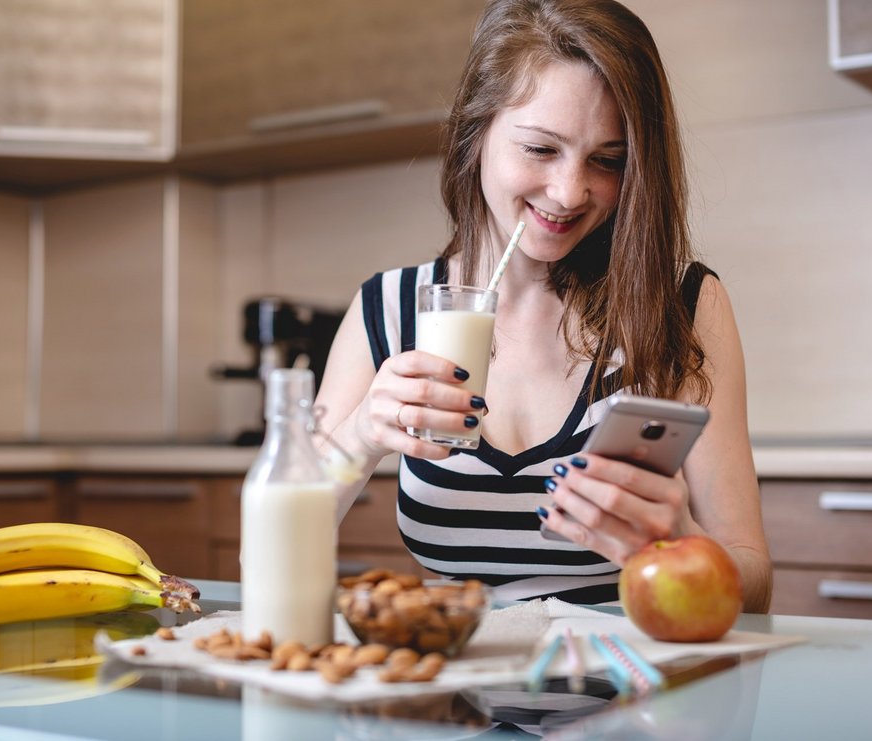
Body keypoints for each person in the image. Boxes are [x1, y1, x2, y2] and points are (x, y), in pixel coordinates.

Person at [315, 0, 771, 611]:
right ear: (476, 133)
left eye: (607, 160)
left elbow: (755, 585)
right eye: (539, 149)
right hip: (457, 693)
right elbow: (265, 547)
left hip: (626, 693)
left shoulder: (681, 306)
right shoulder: (390, 310)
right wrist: (359, 438)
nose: (569, 192)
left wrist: (681, 540)